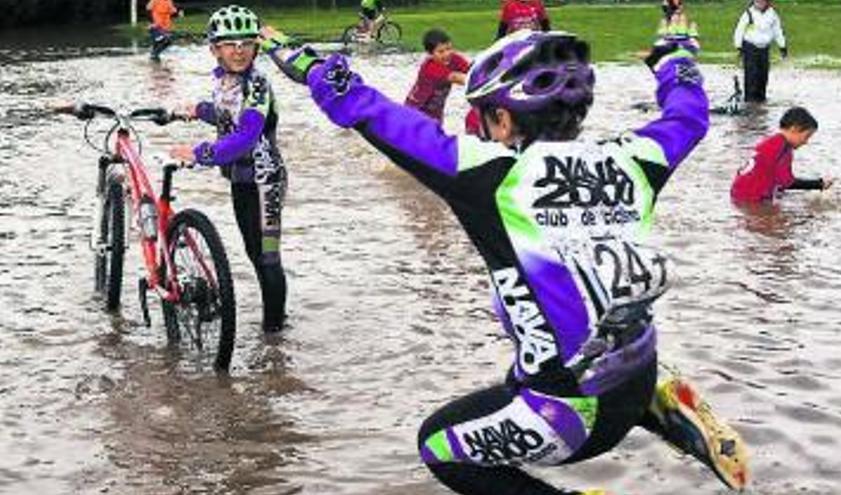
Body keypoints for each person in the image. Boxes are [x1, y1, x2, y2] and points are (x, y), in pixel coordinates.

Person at [260, 12, 749, 495]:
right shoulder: (635, 158)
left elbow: (373, 112)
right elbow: (688, 115)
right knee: (525, 368)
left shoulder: (489, 176)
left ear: (501, 117)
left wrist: (305, 63)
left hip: (573, 418)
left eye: (483, 115)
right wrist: (673, 59)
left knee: (438, 445)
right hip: (636, 376)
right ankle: (661, 404)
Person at [170, 5, 288, 334]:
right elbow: (225, 115)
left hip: (266, 180)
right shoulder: (225, 81)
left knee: (267, 257)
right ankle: (276, 325)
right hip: (239, 177)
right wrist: (195, 110)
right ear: (214, 49)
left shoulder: (258, 85)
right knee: (253, 253)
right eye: (229, 44)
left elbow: (247, 135)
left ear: (257, 47)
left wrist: (200, 153)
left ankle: (274, 338)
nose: (239, 50)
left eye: (246, 43)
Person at [731, 106, 832, 204]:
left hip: (738, 193)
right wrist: (819, 184)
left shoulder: (771, 142)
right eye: (806, 136)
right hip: (751, 199)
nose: (806, 142)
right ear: (794, 129)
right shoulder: (784, 149)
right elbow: (787, 182)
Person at [405, 29, 470, 126]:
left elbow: (471, 69)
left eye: (449, 48)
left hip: (436, 112)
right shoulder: (430, 67)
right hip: (415, 112)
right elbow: (456, 78)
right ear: (430, 54)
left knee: (436, 133)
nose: (446, 54)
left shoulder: (454, 58)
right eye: (441, 51)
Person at [733, 0, 787, 102]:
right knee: (751, 74)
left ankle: (761, 99)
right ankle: (749, 100)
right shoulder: (748, 13)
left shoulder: (772, 14)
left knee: (763, 74)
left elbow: (777, 30)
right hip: (750, 48)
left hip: (764, 49)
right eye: (757, 1)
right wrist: (739, 46)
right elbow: (739, 30)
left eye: (762, 1)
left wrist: (782, 46)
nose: (759, 3)